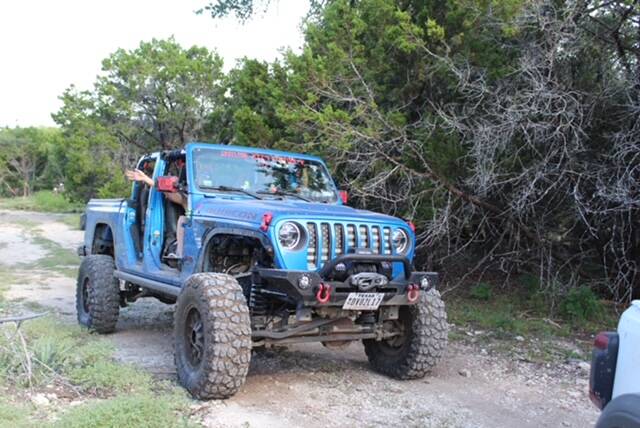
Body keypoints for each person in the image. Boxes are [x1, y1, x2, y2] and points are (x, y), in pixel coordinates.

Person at [126, 168, 188, 260]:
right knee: (183, 220)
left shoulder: (205, 196)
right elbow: (169, 194)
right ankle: (179, 253)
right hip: (189, 238)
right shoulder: (190, 198)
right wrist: (145, 178)